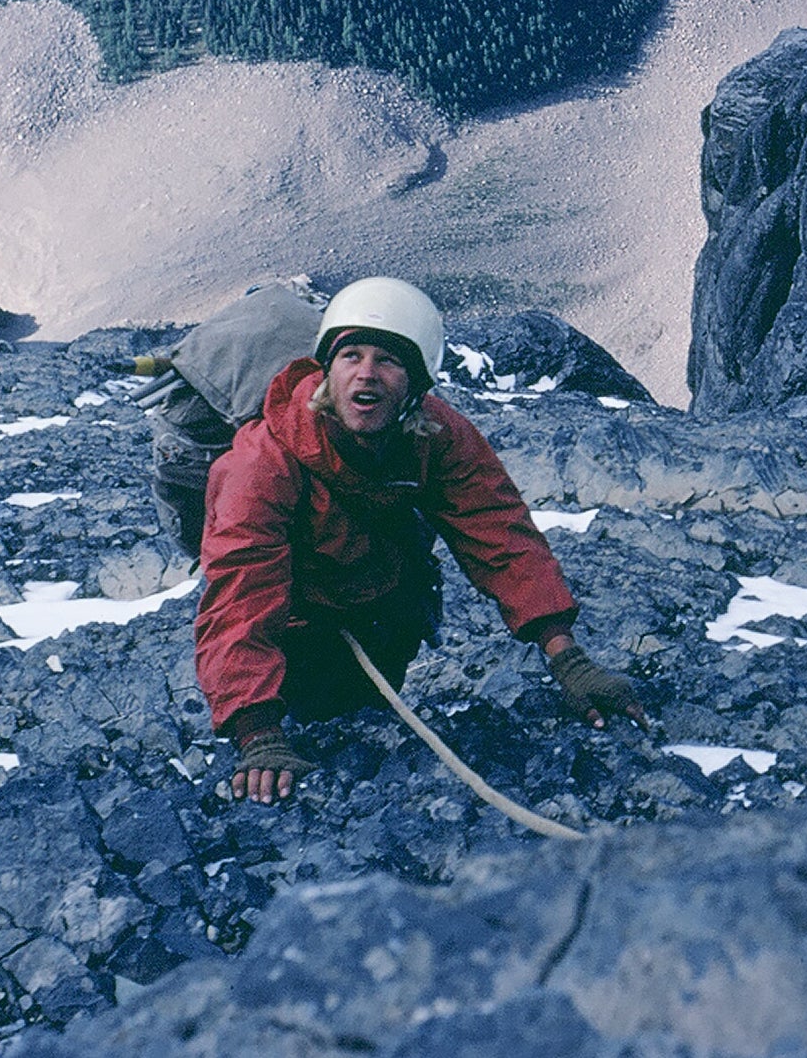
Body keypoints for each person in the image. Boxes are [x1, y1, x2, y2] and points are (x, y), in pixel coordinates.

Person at [193, 276, 644, 803]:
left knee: (366, 714)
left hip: (385, 618)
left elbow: (501, 535)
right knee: (320, 717)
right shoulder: (262, 464)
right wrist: (258, 734)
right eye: (351, 356)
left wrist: (567, 657)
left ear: (416, 384)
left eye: (388, 360)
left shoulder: (437, 437)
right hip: (297, 632)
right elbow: (241, 592)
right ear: (325, 370)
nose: (367, 374)